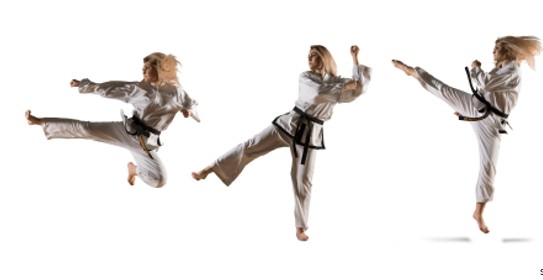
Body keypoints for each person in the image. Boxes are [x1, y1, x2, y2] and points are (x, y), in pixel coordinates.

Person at [191, 45, 371, 242]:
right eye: (309, 56)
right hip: (290, 124)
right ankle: (211, 168)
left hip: (310, 135)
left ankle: (300, 227)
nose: (310, 60)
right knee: (251, 145)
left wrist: (355, 58)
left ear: (325, 59)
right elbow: (317, 93)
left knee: (303, 180)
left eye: (314, 56)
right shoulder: (306, 77)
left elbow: (359, 89)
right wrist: (346, 86)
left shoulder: (337, 82)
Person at [392, 36, 542, 234]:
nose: (493, 52)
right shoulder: (502, 68)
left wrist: (475, 67)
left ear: (507, 51)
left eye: (496, 48)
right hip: (476, 108)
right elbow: (487, 91)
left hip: (491, 122)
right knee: (443, 90)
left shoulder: (512, 70)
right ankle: (413, 72)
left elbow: (486, 83)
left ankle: (478, 212)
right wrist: (466, 112)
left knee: (488, 167)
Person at [26, 52, 200, 188]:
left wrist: (189, 111)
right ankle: (40, 122)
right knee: (86, 129)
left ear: (160, 69)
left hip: (146, 142)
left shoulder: (176, 91)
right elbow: (110, 88)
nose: (143, 70)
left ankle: (135, 170)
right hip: (127, 131)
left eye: (147, 67)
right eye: (143, 67)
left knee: (160, 180)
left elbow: (191, 103)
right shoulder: (138, 88)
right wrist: (83, 84)